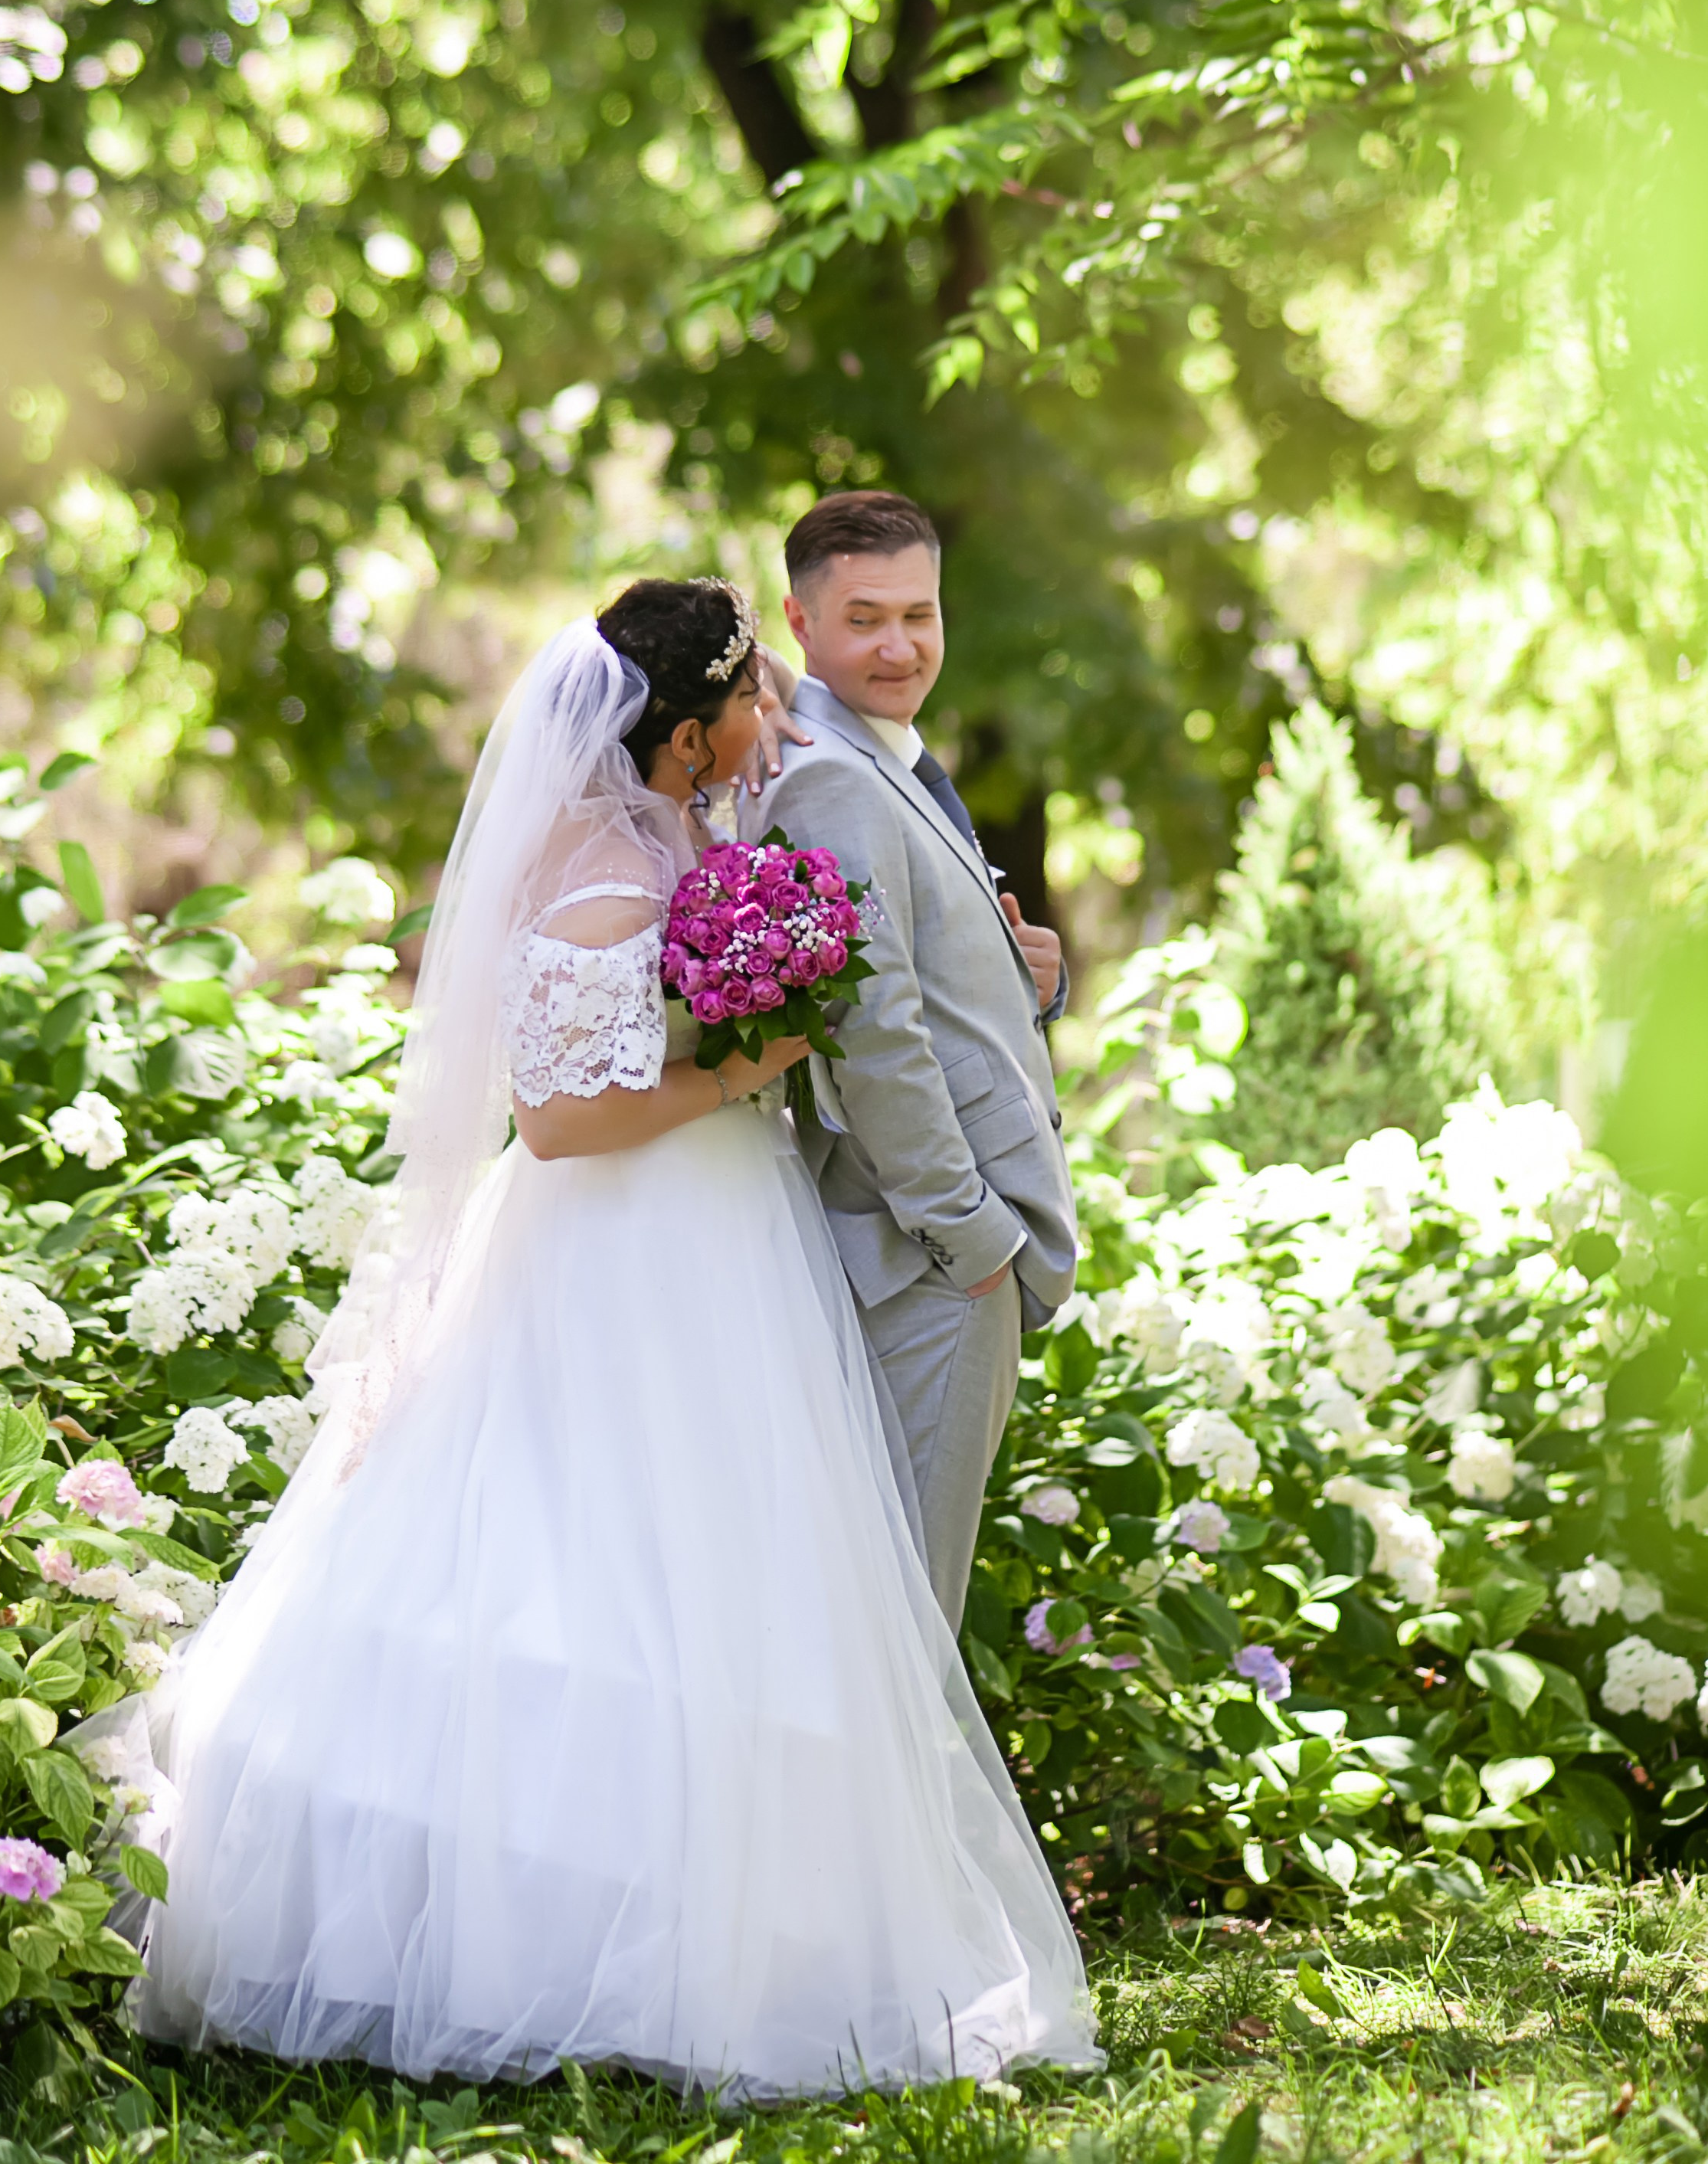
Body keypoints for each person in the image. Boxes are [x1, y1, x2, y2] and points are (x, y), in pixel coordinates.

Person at [78, 580, 1098, 2100]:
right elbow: (558, 1123)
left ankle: (729, 1915)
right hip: (616, 1248)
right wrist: (760, 1055)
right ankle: (547, 1940)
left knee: (710, 1577)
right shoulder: (606, 872)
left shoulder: (695, 841)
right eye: (753, 695)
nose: (777, 715)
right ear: (684, 736)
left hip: (720, 1231)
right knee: (588, 1563)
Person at [743, 493, 1080, 1633]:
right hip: (930, 1257)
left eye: (921, 615)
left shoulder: (887, 757)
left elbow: (935, 976)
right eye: (865, 617)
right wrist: (972, 1237)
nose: (900, 647)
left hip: (951, 1247)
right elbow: (873, 1032)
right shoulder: (831, 771)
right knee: (903, 1625)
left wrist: (1032, 974)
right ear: (800, 620)